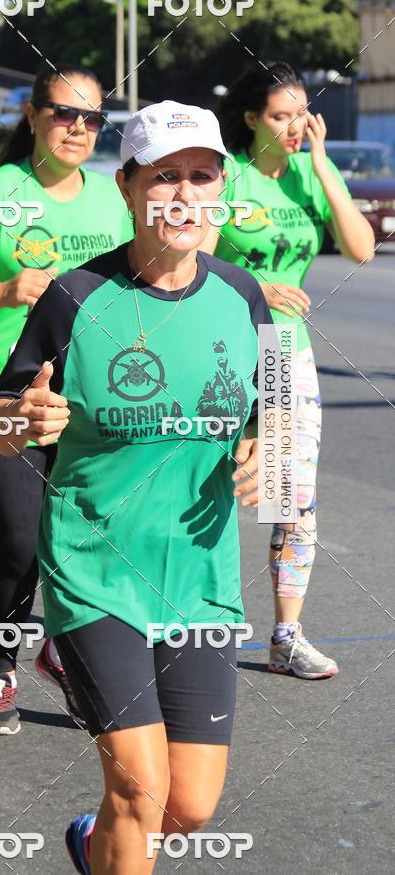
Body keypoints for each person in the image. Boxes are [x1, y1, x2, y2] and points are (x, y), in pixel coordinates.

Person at [0, 100, 272, 874]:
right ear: (128, 187)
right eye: (164, 176)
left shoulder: (244, 296)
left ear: (222, 189)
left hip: (202, 578)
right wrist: (24, 415)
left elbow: (270, 409)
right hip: (97, 571)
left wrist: (262, 444)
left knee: (188, 807)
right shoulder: (76, 297)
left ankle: (89, 844)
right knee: (141, 789)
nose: (184, 194)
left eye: (202, 176)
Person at [0, 62, 134, 736]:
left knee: (83, 546)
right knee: (19, 545)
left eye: (91, 118)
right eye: (63, 113)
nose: (77, 128)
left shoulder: (111, 199)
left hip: (86, 404)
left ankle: (65, 654)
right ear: (34, 116)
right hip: (1, 401)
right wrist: (3, 292)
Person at [210, 60, 375, 678]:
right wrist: (258, 285)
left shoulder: (310, 172)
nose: (293, 126)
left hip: (286, 358)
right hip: (221, 350)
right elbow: (190, 259)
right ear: (251, 118)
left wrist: (323, 160)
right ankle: (180, 621)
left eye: (301, 115)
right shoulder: (225, 177)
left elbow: (361, 247)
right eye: (280, 116)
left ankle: (285, 636)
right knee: (207, 489)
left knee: (292, 499)